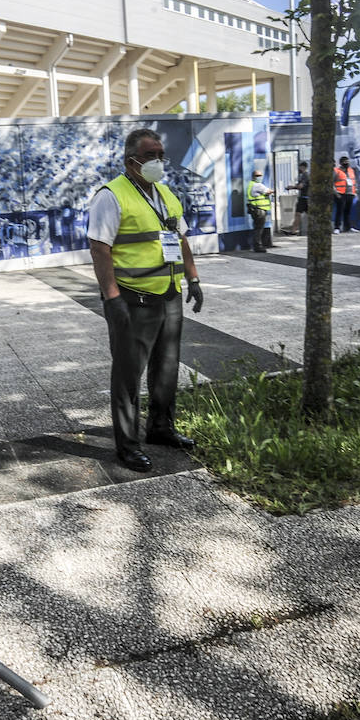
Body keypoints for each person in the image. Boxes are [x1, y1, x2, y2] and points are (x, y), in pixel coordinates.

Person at [88, 128, 205, 472]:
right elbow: (99, 247)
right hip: (132, 298)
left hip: (169, 295)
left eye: (160, 155)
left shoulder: (166, 193)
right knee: (128, 374)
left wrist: (193, 278)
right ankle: (127, 445)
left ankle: (161, 428)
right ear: (131, 161)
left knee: (167, 367)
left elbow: (180, 239)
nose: (157, 161)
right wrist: (112, 299)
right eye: (150, 155)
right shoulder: (111, 195)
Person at [246, 169, 274, 252]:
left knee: (257, 228)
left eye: (260, 175)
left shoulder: (251, 184)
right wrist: (272, 191)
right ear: (253, 177)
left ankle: (256, 245)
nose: (259, 177)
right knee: (259, 228)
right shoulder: (257, 185)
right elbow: (268, 191)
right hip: (259, 210)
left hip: (255, 209)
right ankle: (258, 246)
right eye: (257, 176)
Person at [333, 155, 358, 233]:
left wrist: (355, 192)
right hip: (340, 193)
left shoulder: (351, 170)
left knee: (347, 211)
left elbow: (354, 181)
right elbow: (332, 183)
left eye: (347, 162)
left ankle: (348, 227)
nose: (346, 163)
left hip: (350, 193)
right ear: (341, 163)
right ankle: (337, 227)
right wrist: (336, 193)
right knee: (339, 211)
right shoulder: (336, 171)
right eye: (344, 162)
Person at [284, 160, 309, 235]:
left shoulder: (306, 175)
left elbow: (300, 186)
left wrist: (291, 187)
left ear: (303, 167)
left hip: (305, 198)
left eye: (300, 167)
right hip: (303, 198)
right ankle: (293, 231)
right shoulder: (303, 176)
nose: (299, 169)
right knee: (298, 214)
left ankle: (294, 231)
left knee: (299, 214)